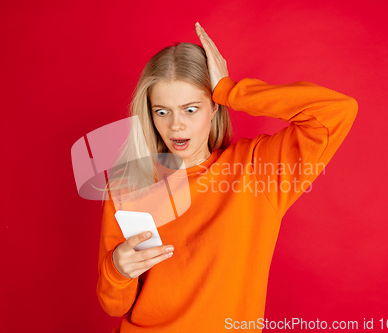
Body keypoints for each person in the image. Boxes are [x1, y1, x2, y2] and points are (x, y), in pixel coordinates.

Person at [96, 22, 358, 332]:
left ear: (214, 109)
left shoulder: (256, 170)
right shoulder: (129, 186)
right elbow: (115, 305)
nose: (176, 126)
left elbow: (337, 111)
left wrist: (230, 90)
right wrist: (117, 270)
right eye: (162, 112)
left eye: (190, 109)